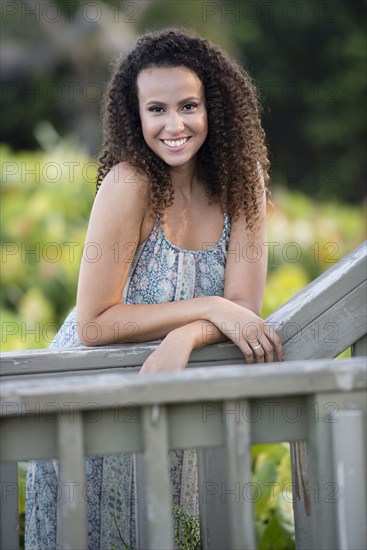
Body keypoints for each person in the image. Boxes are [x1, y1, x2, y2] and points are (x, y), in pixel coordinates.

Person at [25, 27, 283, 549]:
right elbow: (95, 322)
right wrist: (209, 308)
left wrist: (187, 336)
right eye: (157, 109)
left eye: (189, 105)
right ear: (135, 115)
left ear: (215, 107)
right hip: (95, 407)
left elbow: (244, 310)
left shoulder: (242, 181)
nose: (174, 125)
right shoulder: (129, 183)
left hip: (177, 399)